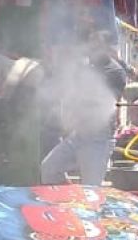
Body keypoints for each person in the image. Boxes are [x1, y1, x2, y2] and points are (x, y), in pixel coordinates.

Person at [41, 32, 128, 186]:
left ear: (106, 47)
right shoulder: (86, 66)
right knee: (49, 168)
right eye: (91, 44)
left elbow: (107, 103)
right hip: (79, 134)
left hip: (99, 137)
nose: (92, 49)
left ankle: (88, 206)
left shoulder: (115, 72)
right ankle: (70, 199)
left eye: (97, 45)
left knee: (91, 188)